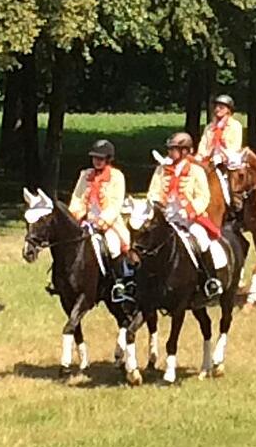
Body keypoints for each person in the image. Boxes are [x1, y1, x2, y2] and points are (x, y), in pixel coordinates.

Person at [147, 132, 222, 298]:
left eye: (174, 149)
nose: (170, 153)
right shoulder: (162, 169)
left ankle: (210, 280)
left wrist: (190, 211)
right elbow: (153, 191)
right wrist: (157, 204)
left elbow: (203, 196)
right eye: (170, 149)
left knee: (201, 241)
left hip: (190, 219)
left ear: (185, 151)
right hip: (167, 217)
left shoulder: (196, 170)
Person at [69, 139, 130, 296]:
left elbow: (116, 203)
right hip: (86, 220)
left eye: (101, 158)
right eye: (95, 157)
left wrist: (103, 221)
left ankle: (119, 282)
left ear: (108, 159)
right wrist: (75, 215)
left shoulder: (117, 177)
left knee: (113, 246)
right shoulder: (85, 175)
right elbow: (77, 197)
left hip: (109, 223)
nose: (97, 161)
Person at [196, 94, 243, 206]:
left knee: (233, 172)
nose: (217, 109)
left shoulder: (235, 126)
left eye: (221, 107)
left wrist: (222, 156)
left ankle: (235, 200)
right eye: (216, 107)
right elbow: (203, 144)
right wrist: (199, 157)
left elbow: (235, 146)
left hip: (228, 157)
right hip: (210, 157)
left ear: (228, 110)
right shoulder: (210, 127)